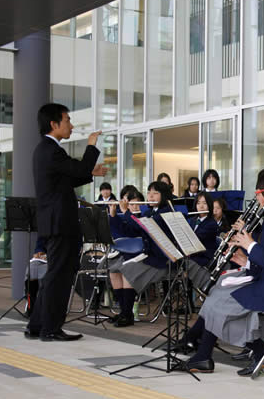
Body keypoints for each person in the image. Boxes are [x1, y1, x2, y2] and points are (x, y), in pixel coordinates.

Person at [180, 164, 264, 375]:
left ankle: (248, 351)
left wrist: (250, 245)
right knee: (219, 298)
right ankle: (254, 351)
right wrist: (248, 259)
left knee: (220, 301)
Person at [25, 104, 106, 341]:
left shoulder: (45, 150)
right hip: (61, 223)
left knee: (54, 274)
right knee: (59, 276)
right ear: (54, 123)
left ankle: (38, 325)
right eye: (67, 120)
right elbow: (78, 168)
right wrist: (91, 145)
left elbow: (68, 177)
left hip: (54, 222)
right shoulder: (52, 150)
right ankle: (50, 328)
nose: (71, 125)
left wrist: (91, 173)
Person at [108, 181, 175, 327]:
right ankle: (124, 312)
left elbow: (143, 226)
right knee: (115, 270)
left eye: (155, 193)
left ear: (163, 196)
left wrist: (126, 212)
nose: (150, 196)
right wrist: (113, 215)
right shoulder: (148, 212)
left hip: (160, 259)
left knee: (127, 269)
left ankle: (127, 314)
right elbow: (131, 232)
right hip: (148, 255)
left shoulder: (165, 213)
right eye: (149, 192)